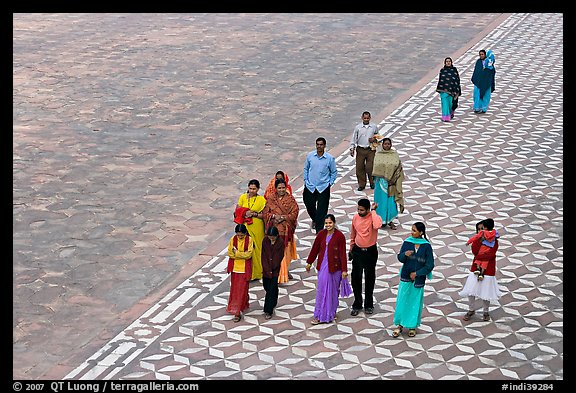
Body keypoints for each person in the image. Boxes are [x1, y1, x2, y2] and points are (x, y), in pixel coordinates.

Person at [392, 222, 435, 338]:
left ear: (421, 233)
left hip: (418, 280)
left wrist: (417, 273)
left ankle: (412, 326)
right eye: (411, 230)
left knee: (415, 303)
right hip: (405, 277)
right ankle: (399, 325)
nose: (412, 232)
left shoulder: (426, 246)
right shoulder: (407, 242)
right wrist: (404, 255)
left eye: (414, 230)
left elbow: (430, 265)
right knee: (402, 300)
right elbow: (400, 258)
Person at [305, 214, 348, 325]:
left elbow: (342, 253)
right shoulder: (321, 234)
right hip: (323, 266)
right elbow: (315, 248)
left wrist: (344, 270)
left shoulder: (339, 236)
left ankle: (331, 313)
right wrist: (309, 262)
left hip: (335, 268)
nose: (328, 225)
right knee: (322, 290)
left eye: (330, 223)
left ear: (334, 223)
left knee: (333, 291)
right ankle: (319, 315)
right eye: (326, 223)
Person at [459, 219, 502, 322]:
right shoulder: (478, 240)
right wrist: (479, 242)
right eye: (478, 230)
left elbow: (492, 253)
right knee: (471, 289)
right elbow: (474, 250)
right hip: (476, 267)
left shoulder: (493, 241)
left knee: (486, 291)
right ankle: (471, 309)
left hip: (489, 268)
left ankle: (486, 311)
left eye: (482, 229)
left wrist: (481, 257)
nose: (480, 231)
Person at [349, 198, 383, 316]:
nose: (359, 212)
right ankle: (357, 303)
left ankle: (369, 304)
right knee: (355, 278)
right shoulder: (355, 218)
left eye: (362, 210)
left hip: (370, 252)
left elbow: (378, 225)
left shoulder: (374, 218)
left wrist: (373, 211)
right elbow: (353, 234)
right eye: (358, 209)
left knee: (369, 278)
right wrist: (351, 248)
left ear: (367, 209)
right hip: (358, 251)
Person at [262, 178, 299, 283]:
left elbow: (295, 213)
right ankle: (275, 274)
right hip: (273, 231)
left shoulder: (291, 200)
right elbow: (265, 213)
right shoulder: (270, 199)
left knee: (284, 253)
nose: (281, 190)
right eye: (279, 188)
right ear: (275, 188)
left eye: (283, 188)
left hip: (285, 230)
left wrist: (283, 218)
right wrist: (274, 216)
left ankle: (284, 272)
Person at [303, 137, 338, 233]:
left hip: (323, 187)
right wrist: (306, 180)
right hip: (310, 186)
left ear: (324, 146)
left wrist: (330, 183)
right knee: (308, 204)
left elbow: (334, 172)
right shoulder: (310, 156)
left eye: (321, 145)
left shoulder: (329, 159)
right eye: (317, 144)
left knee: (322, 210)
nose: (319, 146)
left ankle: (319, 231)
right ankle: (315, 219)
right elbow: (306, 168)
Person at [371, 137, 405, 230]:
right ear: (382, 145)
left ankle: (390, 221)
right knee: (380, 202)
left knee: (390, 202)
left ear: (391, 145)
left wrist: (393, 179)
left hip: (391, 183)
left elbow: (398, 167)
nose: (387, 145)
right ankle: (379, 221)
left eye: (388, 144)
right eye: (385, 144)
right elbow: (375, 167)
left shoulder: (394, 155)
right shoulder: (378, 154)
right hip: (380, 183)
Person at [236, 179, 266, 280]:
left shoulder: (261, 200)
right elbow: (237, 210)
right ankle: (248, 273)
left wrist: (254, 214)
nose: (252, 191)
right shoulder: (243, 197)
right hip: (244, 227)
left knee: (257, 249)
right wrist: (244, 213)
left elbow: (264, 215)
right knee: (246, 248)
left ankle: (258, 273)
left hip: (257, 227)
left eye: (254, 189)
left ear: (258, 189)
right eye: (250, 188)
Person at [226, 224, 254, 322]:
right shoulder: (233, 239)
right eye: (238, 235)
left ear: (245, 233)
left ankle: (239, 310)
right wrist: (240, 255)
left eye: (241, 236)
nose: (240, 237)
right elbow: (230, 253)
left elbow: (249, 255)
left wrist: (237, 253)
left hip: (244, 270)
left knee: (242, 290)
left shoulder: (250, 240)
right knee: (234, 290)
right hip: (235, 269)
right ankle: (237, 309)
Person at [349, 111, 379, 191]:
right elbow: (354, 138)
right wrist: (352, 148)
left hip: (370, 150)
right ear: (362, 118)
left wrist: (374, 139)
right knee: (360, 167)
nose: (366, 119)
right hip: (360, 149)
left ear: (370, 118)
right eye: (364, 118)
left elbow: (378, 136)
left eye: (367, 118)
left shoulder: (373, 127)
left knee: (370, 167)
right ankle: (362, 184)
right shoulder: (358, 127)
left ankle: (372, 182)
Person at [261, 226, 284, 320]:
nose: (271, 239)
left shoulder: (280, 243)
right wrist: (266, 267)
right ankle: (273, 300)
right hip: (266, 269)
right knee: (267, 286)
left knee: (271, 290)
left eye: (273, 237)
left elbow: (279, 256)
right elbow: (263, 254)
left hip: (275, 269)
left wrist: (272, 267)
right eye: (270, 237)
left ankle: (268, 310)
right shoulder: (265, 241)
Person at [435, 57, 462, 122]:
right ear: (445, 63)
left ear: (451, 62)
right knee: (444, 104)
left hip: (452, 91)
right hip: (443, 91)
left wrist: (457, 89)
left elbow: (457, 80)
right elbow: (441, 80)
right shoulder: (442, 70)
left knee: (450, 104)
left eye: (449, 61)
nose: (448, 62)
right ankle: (445, 117)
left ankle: (450, 113)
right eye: (447, 61)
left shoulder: (454, 70)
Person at [471, 49, 496, 113]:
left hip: (486, 82)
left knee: (485, 95)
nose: (481, 56)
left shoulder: (489, 63)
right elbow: (476, 71)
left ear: (485, 55)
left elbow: (492, 72)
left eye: (482, 54)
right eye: (480, 55)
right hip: (478, 82)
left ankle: (484, 108)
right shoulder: (478, 62)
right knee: (476, 95)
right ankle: (477, 108)